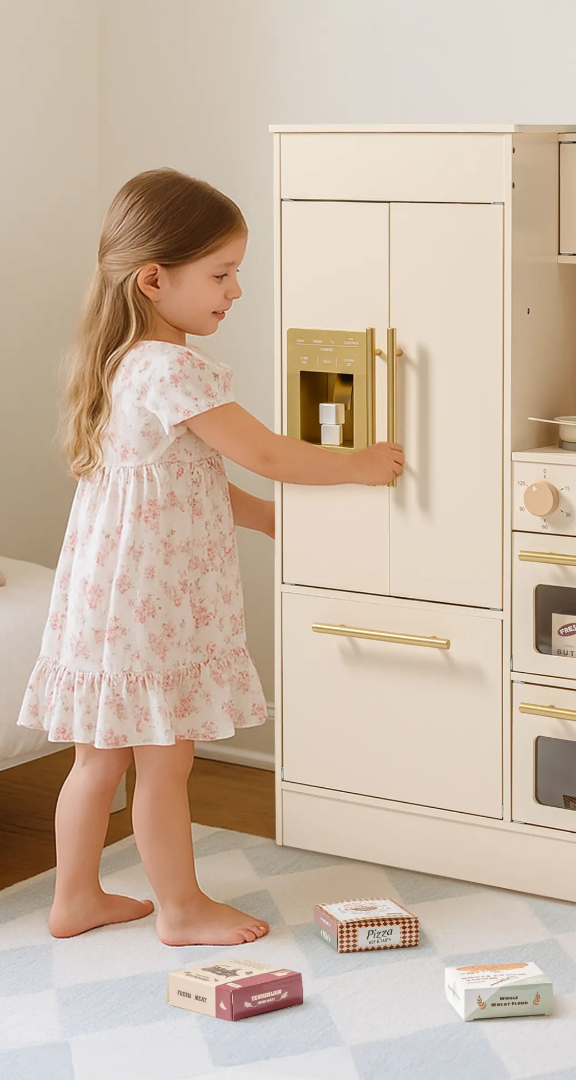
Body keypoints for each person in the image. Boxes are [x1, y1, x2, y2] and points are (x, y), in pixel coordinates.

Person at [16, 168, 403, 946]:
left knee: (99, 760)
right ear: (154, 279)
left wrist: (264, 523)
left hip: (106, 600)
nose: (234, 290)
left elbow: (181, 485)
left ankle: (76, 897)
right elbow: (262, 451)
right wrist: (361, 464)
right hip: (147, 610)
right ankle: (182, 910)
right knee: (164, 765)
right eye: (221, 274)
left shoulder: (121, 363)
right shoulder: (173, 368)